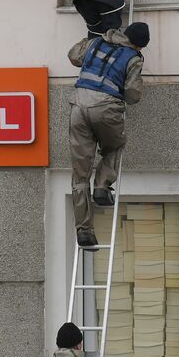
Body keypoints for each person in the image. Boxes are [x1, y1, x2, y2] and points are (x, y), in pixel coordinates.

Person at [67, 21, 148, 249]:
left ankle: (84, 231)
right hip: (106, 108)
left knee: (80, 174)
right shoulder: (134, 57)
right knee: (114, 145)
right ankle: (102, 187)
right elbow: (132, 95)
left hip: (78, 106)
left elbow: (73, 55)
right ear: (140, 45)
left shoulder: (96, 43)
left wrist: (89, 42)